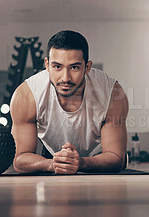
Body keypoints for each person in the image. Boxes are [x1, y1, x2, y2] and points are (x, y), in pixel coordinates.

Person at [10, 30, 129, 174]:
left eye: (74, 67)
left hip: (100, 157)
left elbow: (116, 157)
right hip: (53, 157)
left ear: (87, 67)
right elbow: (19, 160)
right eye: (57, 67)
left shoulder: (112, 93)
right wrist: (54, 164)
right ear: (47, 65)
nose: (65, 78)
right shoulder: (27, 95)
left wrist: (81, 162)